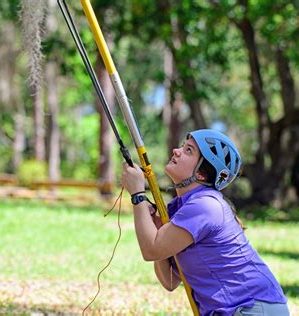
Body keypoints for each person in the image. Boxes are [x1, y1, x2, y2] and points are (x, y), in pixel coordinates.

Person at [121, 129, 289, 316]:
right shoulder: (181, 207)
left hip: (251, 309)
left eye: (188, 151)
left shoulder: (205, 205)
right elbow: (169, 281)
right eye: (183, 147)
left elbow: (151, 250)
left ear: (201, 174)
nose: (177, 151)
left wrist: (137, 195)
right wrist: (160, 229)